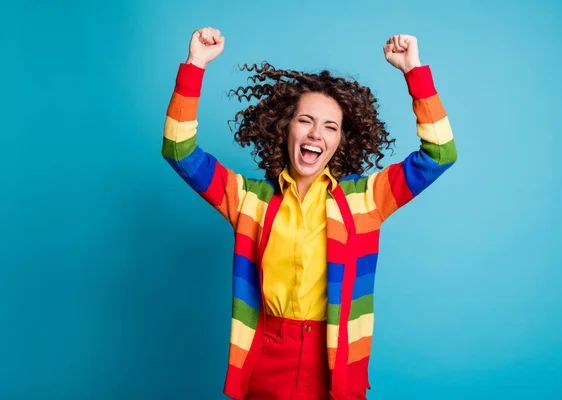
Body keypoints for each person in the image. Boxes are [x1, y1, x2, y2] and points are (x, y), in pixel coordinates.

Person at [162, 26, 457, 400]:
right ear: (285, 128)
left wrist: (413, 70)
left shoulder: (365, 198)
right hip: (266, 359)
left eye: (330, 127)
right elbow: (179, 150)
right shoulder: (249, 200)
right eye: (306, 121)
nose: (317, 133)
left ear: (339, 142)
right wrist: (195, 65)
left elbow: (440, 153)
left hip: (336, 363)